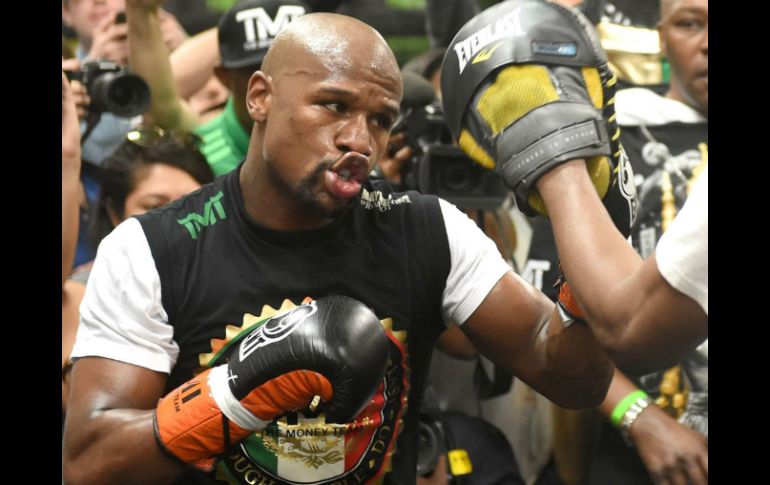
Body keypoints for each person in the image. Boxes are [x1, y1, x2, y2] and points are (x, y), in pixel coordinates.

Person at [63, 12, 616, 485]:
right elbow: (88, 463)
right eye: (333, 105)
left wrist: (591, 219)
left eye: (381, 120)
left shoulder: (429, 230)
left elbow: (575, 378)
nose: (359, 140)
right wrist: (233, 396)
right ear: (260, 97)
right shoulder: (152, 248)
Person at [439, 0, 706, 374]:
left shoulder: (597, 139)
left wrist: (549, 143)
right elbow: (543, 333)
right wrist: (634, 406)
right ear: (661, 37)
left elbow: (630, 328)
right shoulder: (623, 131)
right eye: (690, 24)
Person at [62, 127, 215, 415]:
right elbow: (87, 414)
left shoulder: (232, 278)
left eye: (189, 206)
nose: (174, 224)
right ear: (115, 213)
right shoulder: (81, 293)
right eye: (155, 208)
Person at [127, 0, 310, 177]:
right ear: (224, 77)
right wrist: (141, 13)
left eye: (293, 70)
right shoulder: (203, 152)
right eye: (255, 73)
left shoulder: (329, 143)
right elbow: (161, 105)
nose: (274, 85)